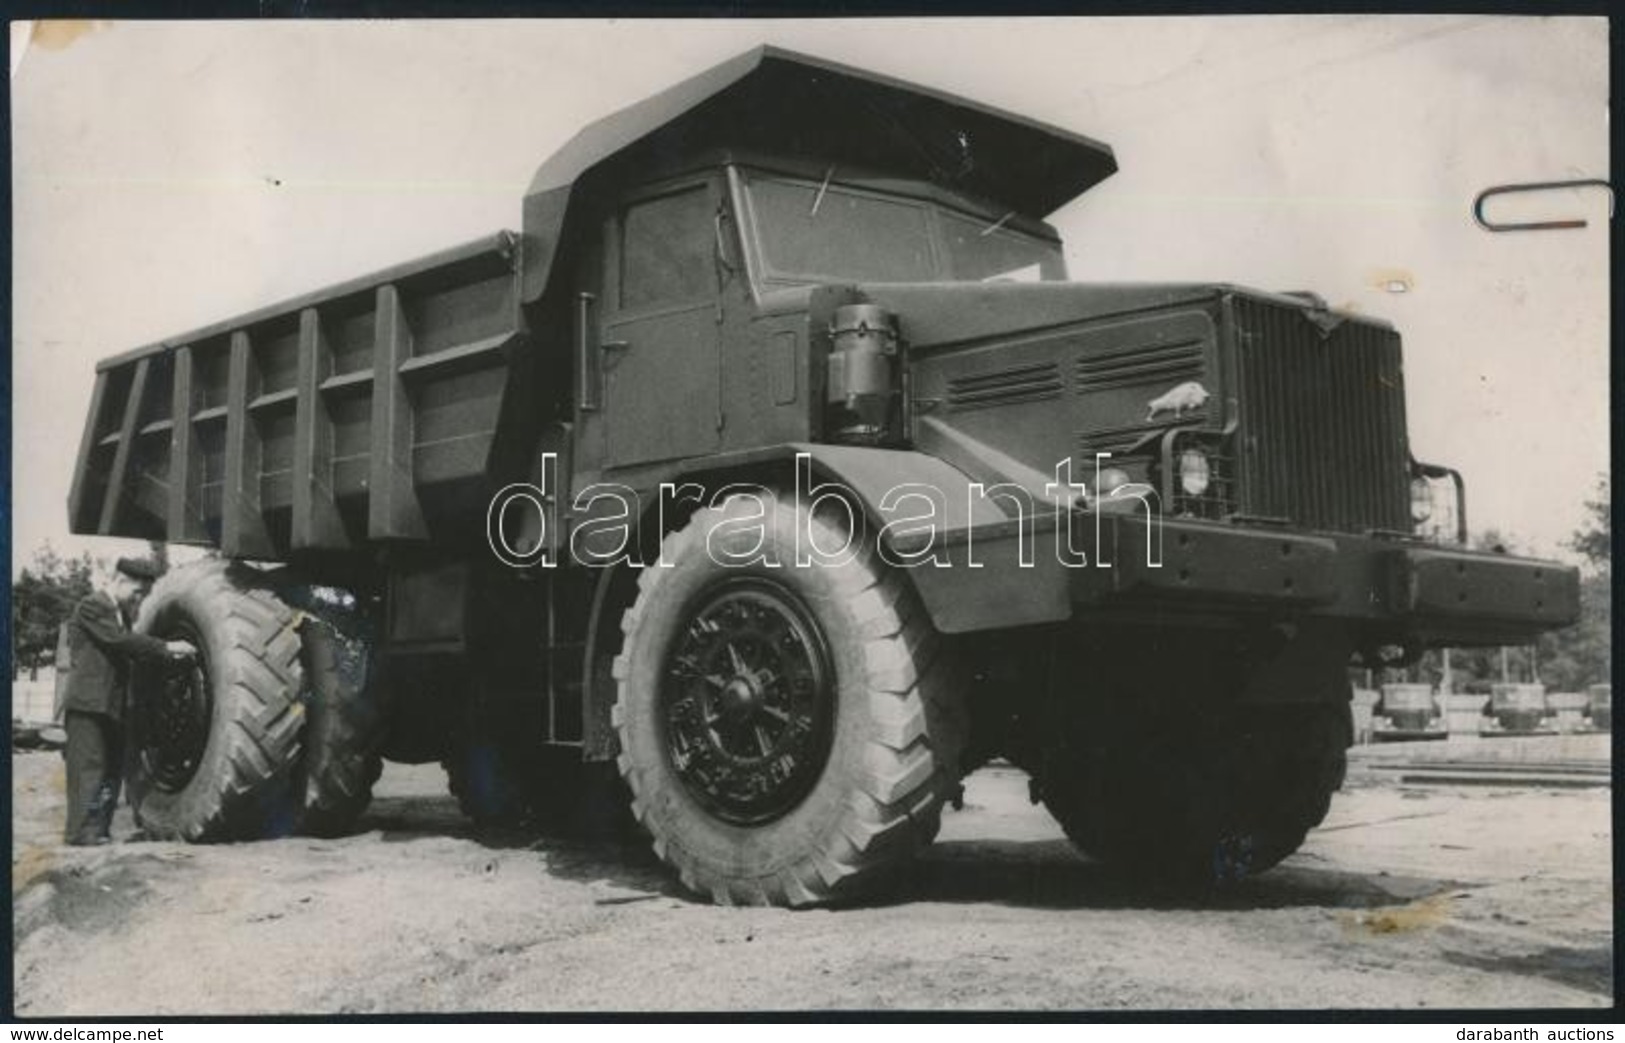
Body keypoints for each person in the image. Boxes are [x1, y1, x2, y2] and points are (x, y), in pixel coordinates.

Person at [58, 557, 194, 846]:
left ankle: (99, 830)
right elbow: (119, 642)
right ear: (120, 582)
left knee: (111, 768)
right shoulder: (93, 606)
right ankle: (80, 833)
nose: (139, 599)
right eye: (137, 593)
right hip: (88, 705)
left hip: (111, 705)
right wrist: (166, 647)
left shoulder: (121, 615)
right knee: (88, 767)